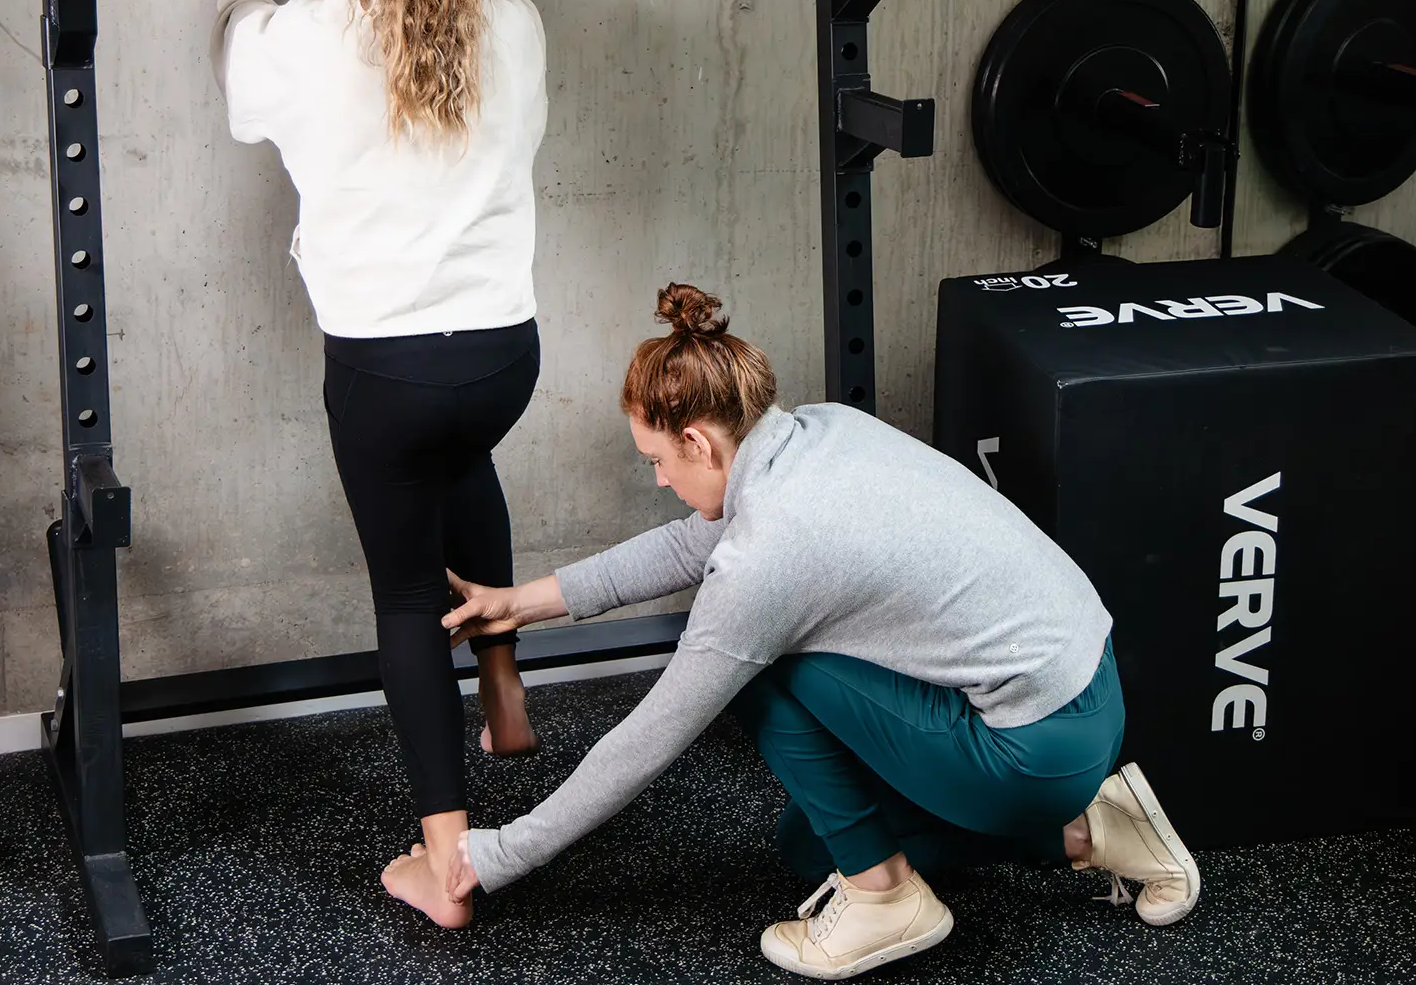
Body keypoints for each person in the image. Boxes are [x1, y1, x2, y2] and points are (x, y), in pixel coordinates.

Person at [438, 284, 1201, 978]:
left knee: (756, 663)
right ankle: (1092, 829)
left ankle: (886, 902)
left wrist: (491, 857)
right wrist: (516, 605)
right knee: (807, 845)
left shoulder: (774, 550)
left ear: (699, 441)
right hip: (1089, 686)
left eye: (658, 461)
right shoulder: (818, 433)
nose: (661, 480)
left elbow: (649, 737)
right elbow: (688, 544)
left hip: (1031, 751)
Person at [200, 0, 550, 927]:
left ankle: (445, 867)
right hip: (502, 361)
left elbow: (242, 82)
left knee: (405, 596)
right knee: (463, 466)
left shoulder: (302, 36)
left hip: (383, 378)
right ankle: (502, 685)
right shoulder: (515, 21)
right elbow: (489, 17)